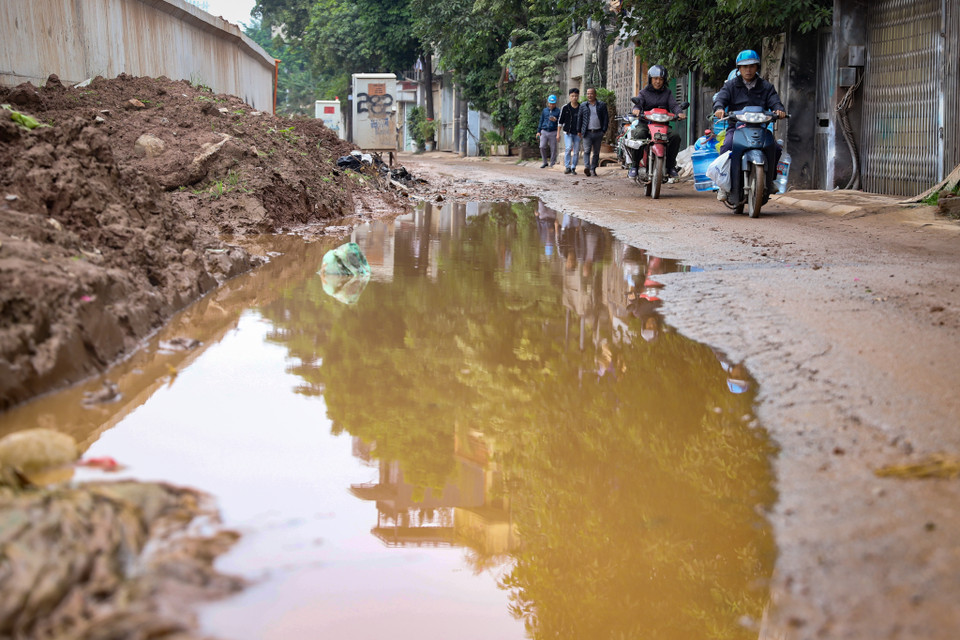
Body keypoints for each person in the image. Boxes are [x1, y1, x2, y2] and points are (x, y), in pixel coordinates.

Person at [713, 49, 786, 204]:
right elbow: (721, 99)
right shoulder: (731, 85)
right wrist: (719, 108)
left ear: (757, 67)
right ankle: (723, 186)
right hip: (737, 127)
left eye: (752, 66)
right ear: (738, 69)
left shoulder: (766, 87)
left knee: (776, 148)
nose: (748, 69)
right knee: (726, 146)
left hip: (760, 128)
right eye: (744, 67)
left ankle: (770, 180)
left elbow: (775, 101)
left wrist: (779, 110)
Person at [627, 64, 686, 180]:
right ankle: (634, 166)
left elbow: (674, 105)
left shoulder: (667, 93)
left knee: (675, 137)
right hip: (645, 124)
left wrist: (679, 112)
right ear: (650, 79)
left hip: (662, 125)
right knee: (639, 135)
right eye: (655, 79)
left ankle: (670, 166)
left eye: (661, 79)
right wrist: (636, 109)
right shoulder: (643, 92)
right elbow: (638, 103)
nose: (658, 82)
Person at [578, 87, 608, 177]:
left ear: (595, 95)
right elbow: (580, 118)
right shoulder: (583, 105)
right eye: (587, 94)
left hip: (598, 132)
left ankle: (593, 169)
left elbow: (606, 118)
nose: (589, 95)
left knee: (596, 152)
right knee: (586, 151)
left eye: (591, 93)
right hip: (587, 133)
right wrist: (579, 130)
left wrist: (604, 130)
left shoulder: (602, 105)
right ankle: (587, 167)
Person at [557, 88, 582, 174]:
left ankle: (573, 167)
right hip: (568, 132)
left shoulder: (581, 107)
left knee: (576, 151)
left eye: (576, 96)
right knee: (568, 148)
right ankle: (567, 166)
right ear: (569, 96)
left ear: (578, 96)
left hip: (578, 133)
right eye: (572, 96)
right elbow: (560, 121)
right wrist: (558, 134)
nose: (574, 97)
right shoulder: (565, 108)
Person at [537, 94, 561, 168]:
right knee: (542, 146)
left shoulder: (558, 111)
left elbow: (560, 123)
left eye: (553, 103)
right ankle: (545, 162)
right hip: (544, 131)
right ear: (548, 103)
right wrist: (538, 131)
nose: (551, 105)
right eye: (550, 103)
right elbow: (541, 120)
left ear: (555, 103)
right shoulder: (545, 111)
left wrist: (555, 120)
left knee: (553, 148)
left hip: (553, 131)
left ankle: (552, 163)